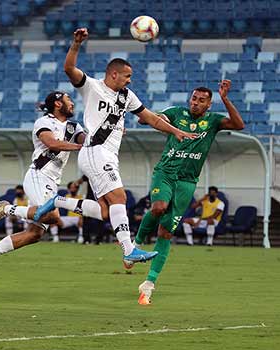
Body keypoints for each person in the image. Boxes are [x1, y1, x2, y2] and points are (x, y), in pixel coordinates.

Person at [34, 28, 196, 266]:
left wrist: (175, 131)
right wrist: (76, 45)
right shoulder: (92, 87)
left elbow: (150, 117)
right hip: (95, 151)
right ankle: (129, 249)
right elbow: (69, 69)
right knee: (119, 197)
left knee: (104, 211)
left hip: (108, 154)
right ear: (113, 74)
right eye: (127, 76)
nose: (130, 80)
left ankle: (58, 202)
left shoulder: (126, 96)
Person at [133, 81, 244, 305]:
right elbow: (144, 118)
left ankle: (149, 283)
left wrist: (226, 99)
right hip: (165, 173)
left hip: (187, 182)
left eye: (201, 100)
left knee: (166, 232)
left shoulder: (212, 121)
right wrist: (158, 119)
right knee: (158, 207)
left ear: (209, 104)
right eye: (194, 98)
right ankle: (134, 245)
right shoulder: (176, 113)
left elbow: (239, 124)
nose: (195, 103)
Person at [0, 90, 92, 266]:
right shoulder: (43, 122)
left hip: (52, 182)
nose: (72, 103)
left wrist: (107, 134)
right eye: (68, 99)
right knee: (54, 218)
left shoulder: (73, 127)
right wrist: (80, 147)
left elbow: (88, 141)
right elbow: (52, 143)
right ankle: (7, 209)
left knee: (34, 234)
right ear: (57, 103)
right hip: (38, 175)